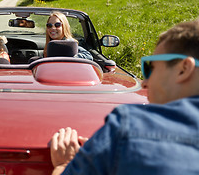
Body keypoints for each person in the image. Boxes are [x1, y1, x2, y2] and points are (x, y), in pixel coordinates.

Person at [50, 19, 199, 175]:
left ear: (184, 69)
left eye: (150, 67)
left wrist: (63, 164)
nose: (145, 83)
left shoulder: (130, 128)